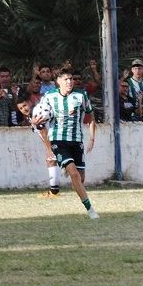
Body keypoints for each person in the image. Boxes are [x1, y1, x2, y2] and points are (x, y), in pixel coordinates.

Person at [34, 68, 99, 219]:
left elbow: (91, 117)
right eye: (66, 79)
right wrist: (35, 122)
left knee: (80, 179)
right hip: (58, 140)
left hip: (76, 141)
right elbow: (38, 117)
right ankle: (91, 210)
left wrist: (92, 138)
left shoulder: (81, 95)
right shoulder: (49, 96)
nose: (69, 82)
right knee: (75, 175)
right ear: (58, 82)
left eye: (71, 79)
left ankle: (68, 169)